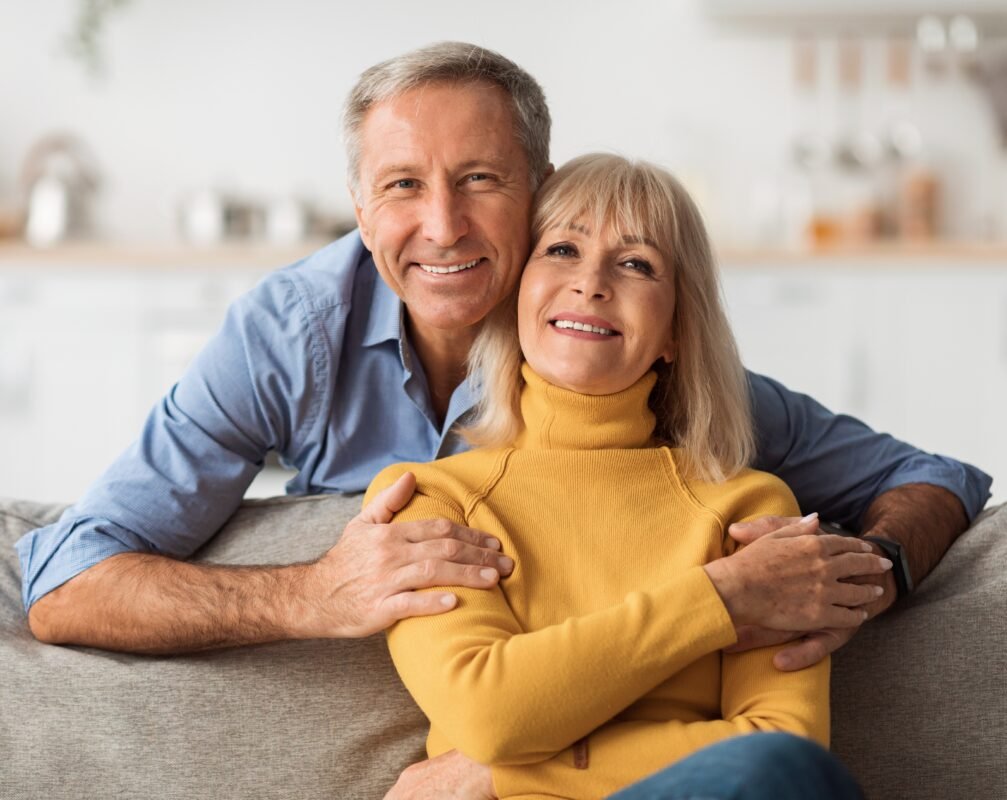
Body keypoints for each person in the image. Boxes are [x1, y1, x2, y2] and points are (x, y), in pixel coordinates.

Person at [17, 40, 987, 687]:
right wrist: (313, 590)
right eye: (402, 186)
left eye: (480, 180)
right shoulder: (289, 333)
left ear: (540, 189)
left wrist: (860, 571)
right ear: (359, 210)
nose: (441, 227)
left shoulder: (608, 344)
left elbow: (931, 476)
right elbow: (65, 576)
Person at [370, 153, 869, 799]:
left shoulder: (748, 505)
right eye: (560, 250)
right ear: (516, 292)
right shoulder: (429, 499)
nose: (591, 283)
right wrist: (720, 596)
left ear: (675, 331)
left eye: (636, 264)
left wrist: (499, 773)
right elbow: (491, 715)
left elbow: (781, 750)